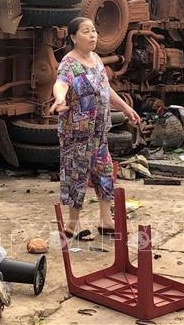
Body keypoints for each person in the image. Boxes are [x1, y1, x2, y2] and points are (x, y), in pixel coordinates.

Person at [50, 17, 140, 241]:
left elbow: (106, 90)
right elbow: (61, 83)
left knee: (105, 171)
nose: (92, 35)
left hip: (98, 132)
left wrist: (126, 108)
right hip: (76, 132)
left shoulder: (97, 60)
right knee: (76, 174)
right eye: (86, 32)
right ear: (73, 37)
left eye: (94, 31)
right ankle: (72, 224)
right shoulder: (69, 63)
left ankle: (105, 220)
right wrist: (60, 98)